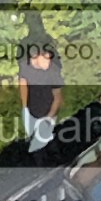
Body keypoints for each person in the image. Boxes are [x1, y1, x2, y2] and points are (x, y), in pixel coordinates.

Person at [17, 29, 64, 157]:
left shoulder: (53, 71)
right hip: (31, 112)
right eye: (46, 58)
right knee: (35, 146)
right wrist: (24, 107)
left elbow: (58, 97)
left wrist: (49, 117)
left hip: (48, 111)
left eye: (49, 58)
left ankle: (56, 157)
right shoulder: (25, 66)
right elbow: (23, 85)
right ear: (36, 57)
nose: (48, 62)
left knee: (48, 141)